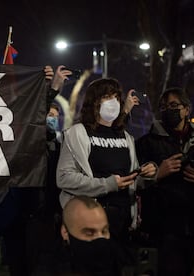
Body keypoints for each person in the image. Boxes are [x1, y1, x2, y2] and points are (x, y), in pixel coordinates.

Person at [0, 65, 71, 276]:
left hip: (28, 207)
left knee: (21, 259)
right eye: (47, 114)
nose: (50, 119)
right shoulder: (5, 130)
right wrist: (49, 89)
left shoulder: (54, 143)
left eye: (53, 115)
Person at [56, 78, 157, 247]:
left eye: (116, 98)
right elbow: (64, 178)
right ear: (93, 102)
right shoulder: (77, 134)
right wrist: (107, 184)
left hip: (123, 222)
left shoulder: (127, 138)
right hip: (90, 222)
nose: (113, 102)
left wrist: (147, 174)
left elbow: (133, 181)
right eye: (107, 97)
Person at [135, 87, 194, 276]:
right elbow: (135, 181)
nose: (168, 110)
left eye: (174, 105)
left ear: (187, 109)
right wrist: (158, 173)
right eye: (164, 107)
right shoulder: (146, 143)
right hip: (162, 227)